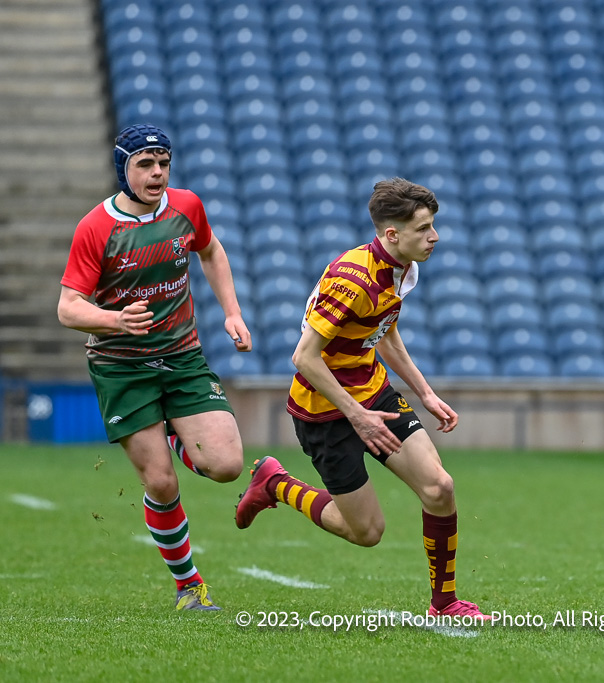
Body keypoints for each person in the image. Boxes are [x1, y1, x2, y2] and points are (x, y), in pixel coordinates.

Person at [236, 177, 489, 619]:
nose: (434, 236)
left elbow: (384, 332)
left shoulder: (403, 267)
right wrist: (356, 416)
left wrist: (425, 393)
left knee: (439, 487)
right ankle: (276, 483)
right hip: (324, 411)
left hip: (373, 394)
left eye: (433, 225)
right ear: (392, 234)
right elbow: (304, 357)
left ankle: (444, 603)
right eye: (424, 228)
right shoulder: (352, 279)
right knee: (367, 533)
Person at [58, 123, 253, 611]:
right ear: (122, 169)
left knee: (227, 466)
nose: (157, 173)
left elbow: (211, 250)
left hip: (182, 356)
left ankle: (169, 430)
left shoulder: (187, 207)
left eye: (163, 163)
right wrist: (115, 320)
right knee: (162, 483)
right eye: (145, 164)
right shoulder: (96, 227)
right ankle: (189, 586)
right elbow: (68, 308)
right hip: (122, 366)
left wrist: (231, 312)